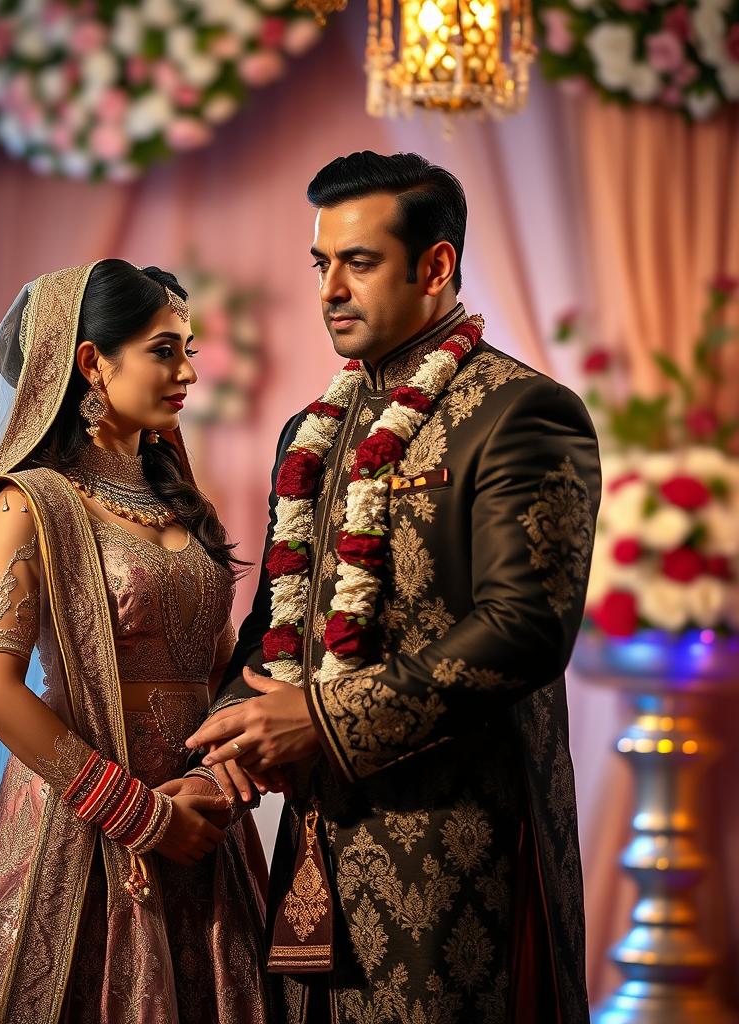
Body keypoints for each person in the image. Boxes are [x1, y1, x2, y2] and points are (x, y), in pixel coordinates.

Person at [187, 151, 601, 1024]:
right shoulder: (313, 429)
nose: (331, 287)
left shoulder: (520, 412)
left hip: (456, 843)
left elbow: (525, 628)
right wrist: (225, 746)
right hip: (312, 846)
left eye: (359, 261)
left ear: (436, 266)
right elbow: (275, 623)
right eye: (321, 264)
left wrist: (322, 720)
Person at [0, 260, 270, 1024]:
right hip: (84, 828)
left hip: (202, 823)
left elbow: (221, 670)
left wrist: (214, 783)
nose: (188, 370)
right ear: (91, 362)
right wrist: (139, 815)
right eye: (164, 349)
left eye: (188, 348)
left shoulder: (182, 499)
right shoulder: (27, 504)